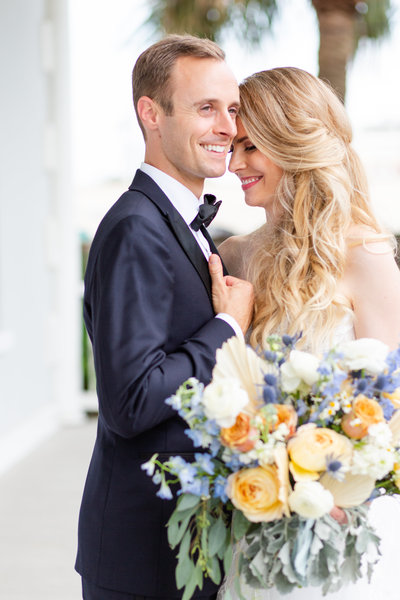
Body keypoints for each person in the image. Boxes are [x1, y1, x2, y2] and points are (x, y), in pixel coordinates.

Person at [75, 35, 254, 600]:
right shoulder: (136, 228)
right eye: (206, 108)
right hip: (145, 560)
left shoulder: (183, 225)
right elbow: (130, 403)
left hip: (189, 547)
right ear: (150, 114)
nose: (227, 126)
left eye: (231, 110)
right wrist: (226, 329)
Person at [218, 67, 400, 599]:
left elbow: (394, 395)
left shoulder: (363, 251)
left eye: (251, 147)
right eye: (233, 147)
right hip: (256, 516)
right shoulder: (233, 257)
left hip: (343, 519)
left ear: (291, 141)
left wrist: (339, 481)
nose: (234, 165)